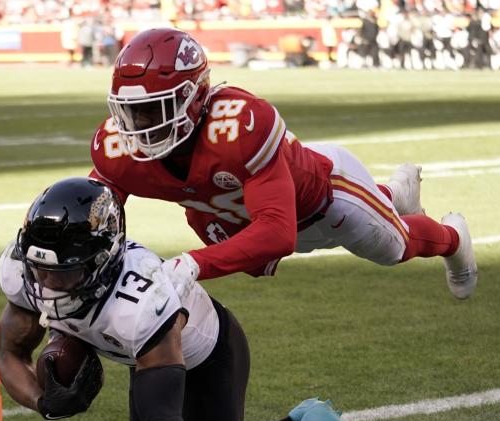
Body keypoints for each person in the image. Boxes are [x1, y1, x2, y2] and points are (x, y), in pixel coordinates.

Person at [0, 177, 388, 421]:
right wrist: (42, 402)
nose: (46, 283)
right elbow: (10, 354)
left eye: (64, 272)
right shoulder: (27, 272)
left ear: (102, 261)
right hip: (141, 352)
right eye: (39, 269)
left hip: (208, 355)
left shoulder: (142, 302)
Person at [89, 28, 477, 307]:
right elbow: (92, 208)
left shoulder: (238, 126)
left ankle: (453, 237)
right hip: (247, 216)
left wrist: (193, 263)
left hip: (326, 197)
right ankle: (393, 194)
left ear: (194, 97)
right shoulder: (118, 148)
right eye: (130, 112)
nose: (140, 126)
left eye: (152, 109)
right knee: (224, 234)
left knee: (395, 248)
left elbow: (277, 233)